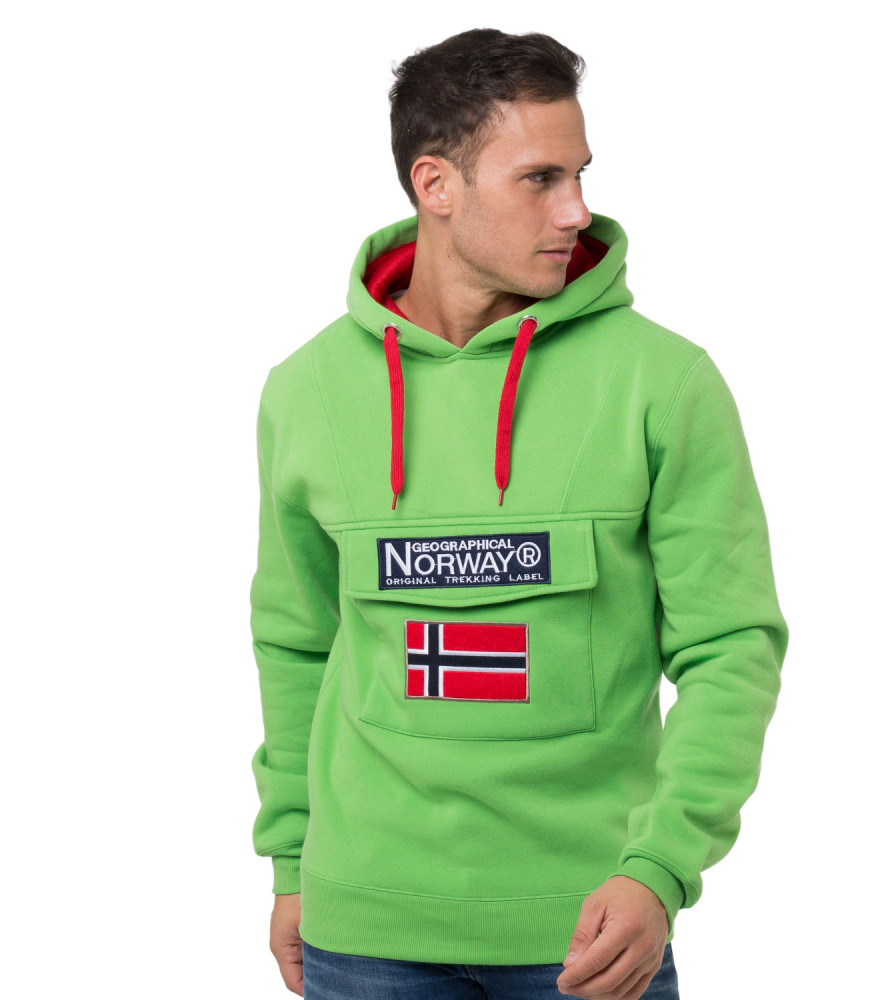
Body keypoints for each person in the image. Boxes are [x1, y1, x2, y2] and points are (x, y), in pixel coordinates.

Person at [251, 28, 788, 1000]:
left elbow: (730, 647)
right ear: (435, 184)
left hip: (586, 931)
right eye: (540, 178)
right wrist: (292, 863)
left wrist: (658, 867)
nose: (576, 209)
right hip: (364, 931)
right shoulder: (307, 392)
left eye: (580, 175)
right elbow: (297, 643)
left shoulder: (663, 382)